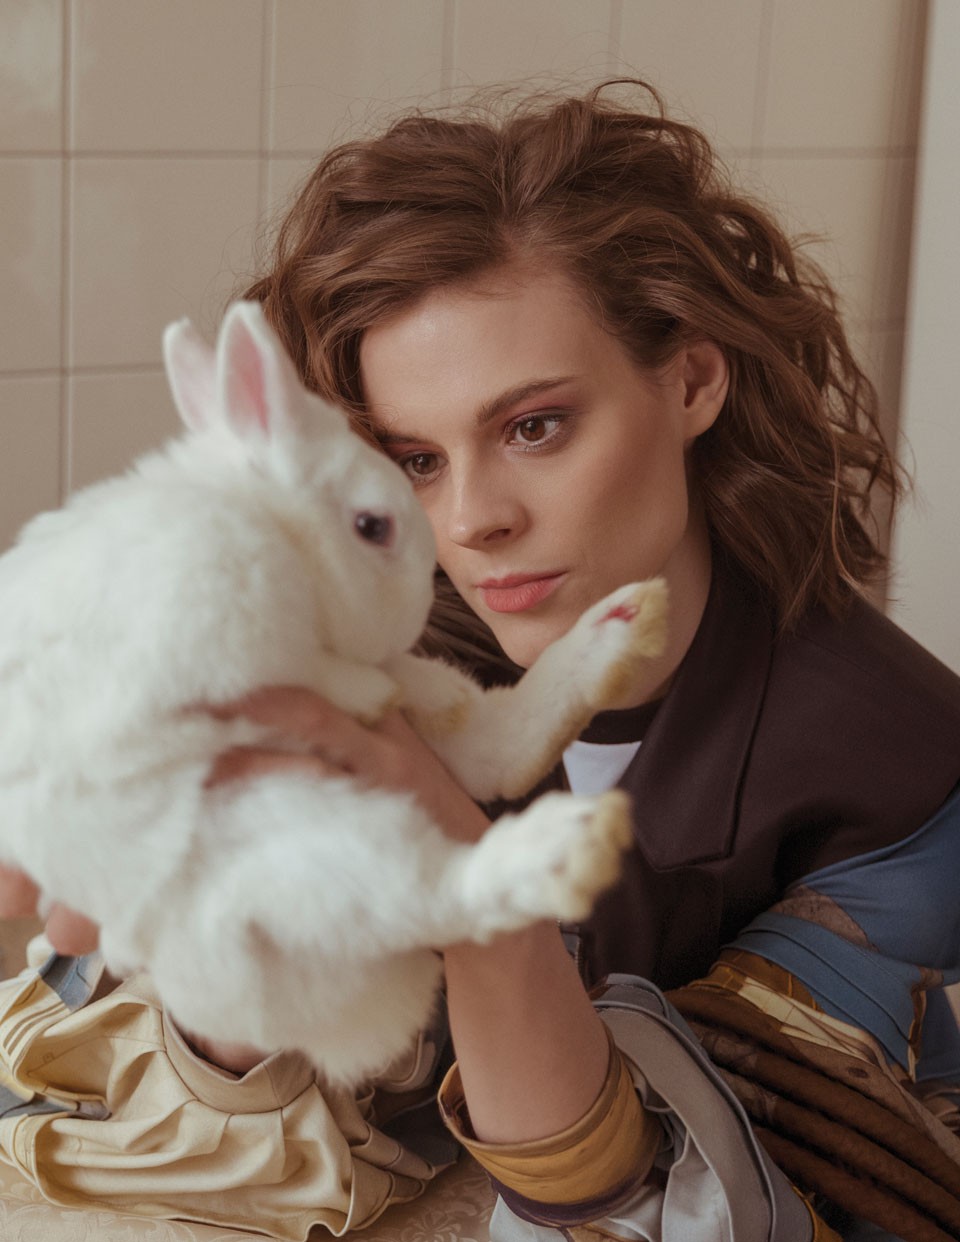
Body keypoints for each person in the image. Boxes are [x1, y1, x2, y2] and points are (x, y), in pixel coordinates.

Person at [1, 80, 958, 1242]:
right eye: (415, 458)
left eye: (534, 426)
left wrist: (469, 885)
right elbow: (90, 1107)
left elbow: (683, 1213)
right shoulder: (373, 651)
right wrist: (227, 934)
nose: (471, 522)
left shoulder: (901, 774)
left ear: (693, 382)